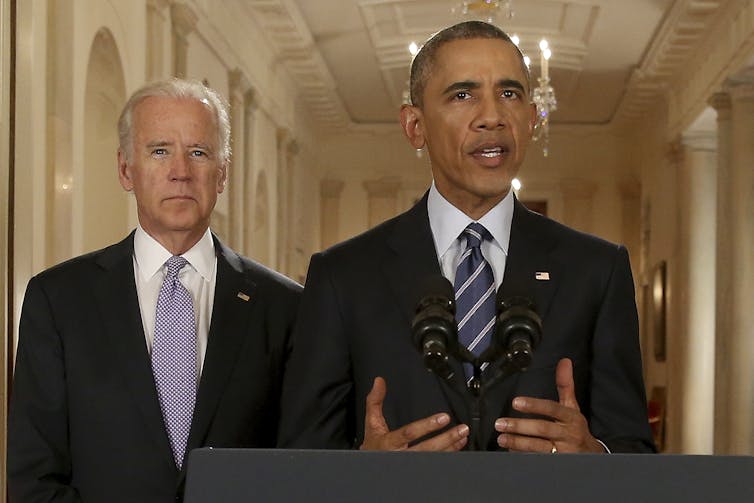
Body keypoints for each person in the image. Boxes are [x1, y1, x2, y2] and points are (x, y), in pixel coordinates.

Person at [278, 21, 655, 454]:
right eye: (463, 94)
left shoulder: (597, 271)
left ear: (532, 120)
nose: (492, 117)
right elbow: (300, 460)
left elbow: (634, 453)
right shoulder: (341, 277)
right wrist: (361, 476)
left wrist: (596, 459)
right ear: (415, 126)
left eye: (509, 94)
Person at [8, 78, 302, 502]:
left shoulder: (285, 308)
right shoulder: (58, 300)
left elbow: (298, 467)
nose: (180, 171)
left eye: (198, 153)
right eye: (160, 151)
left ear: (222, 174)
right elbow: (33, 477)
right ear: (127, 170)